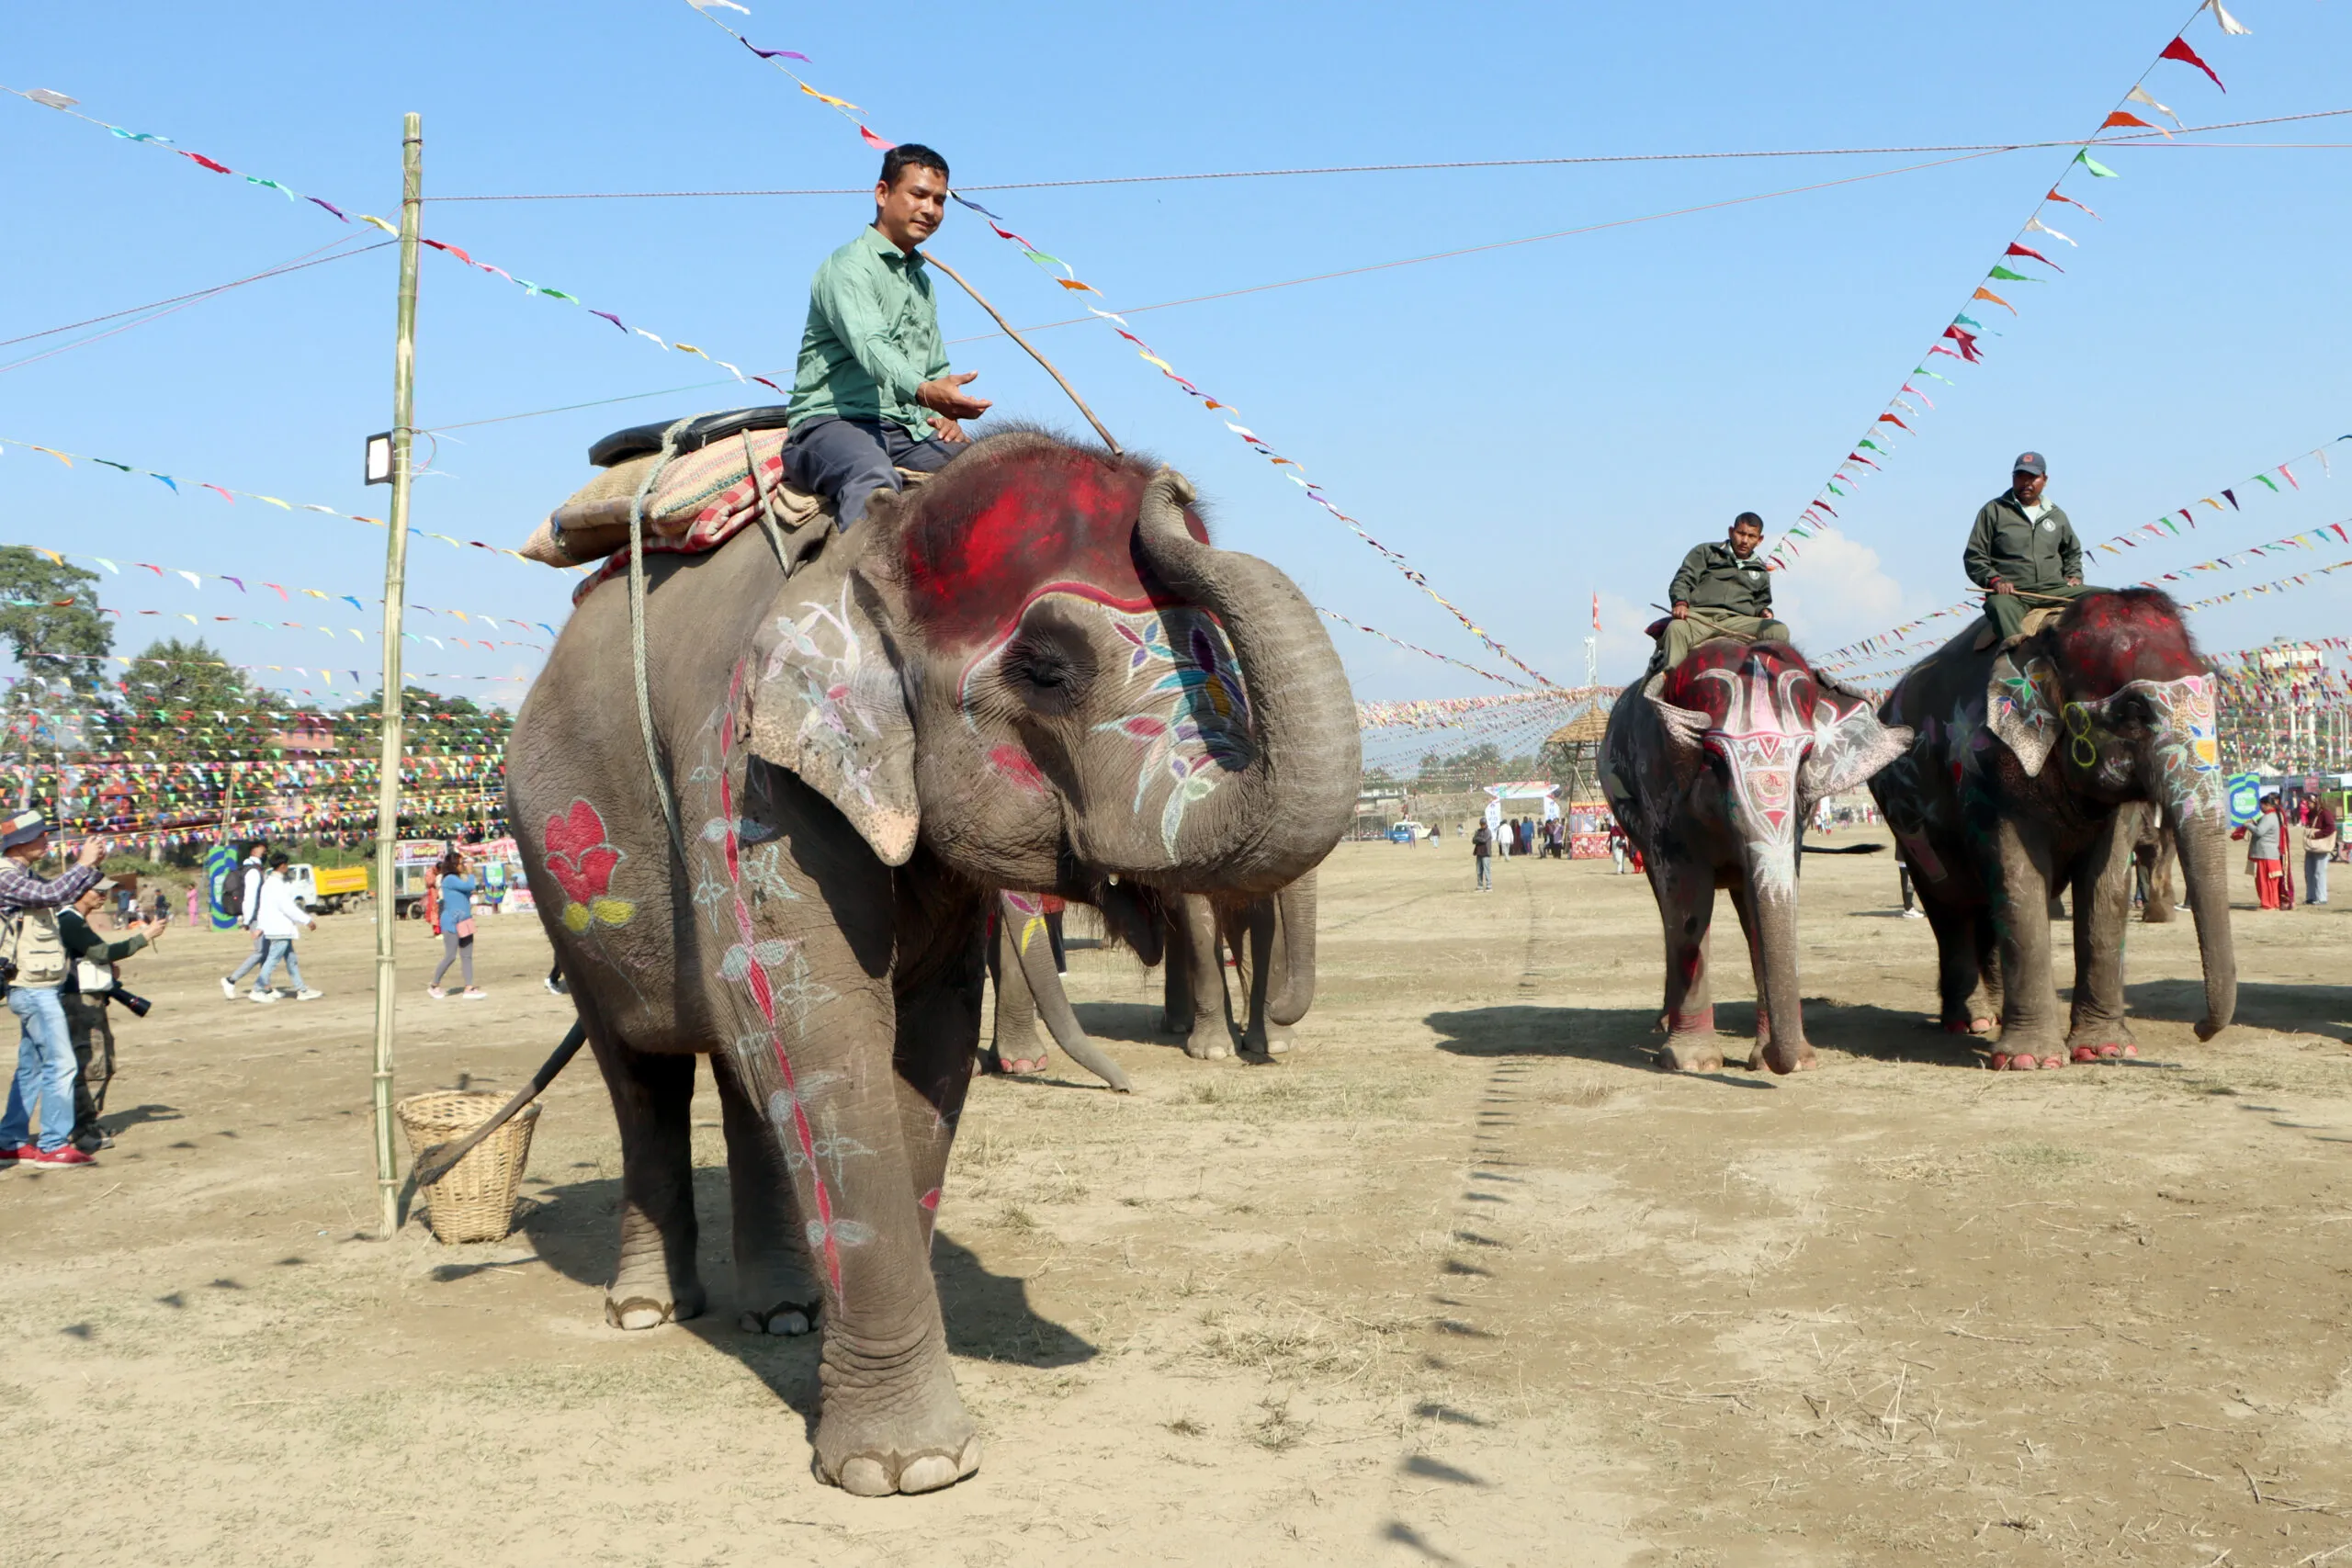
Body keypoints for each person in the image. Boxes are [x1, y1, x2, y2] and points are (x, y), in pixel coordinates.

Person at [781, 144, 987, 532]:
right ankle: (858, 572)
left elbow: (934, 366)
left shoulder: (921, 282)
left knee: (990, 475)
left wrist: (944, 415)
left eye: (939, 200)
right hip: (831, 424)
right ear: (882, 193)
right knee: (872, 479)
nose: (930, 209)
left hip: (907, 431)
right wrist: (926, 392)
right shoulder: (848, 266)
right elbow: (872, 347)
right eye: (918, 195)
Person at [0, 809, 109, 1167]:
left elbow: (59, 895)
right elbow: (51, 894)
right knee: (61, 1063)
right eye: (40, 835)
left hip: (36, 984)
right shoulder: (5, 876)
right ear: (19, 843)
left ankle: (10, 1140)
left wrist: (92, 868)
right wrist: (83, 864)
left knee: (31, 1067)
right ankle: (52, 1144)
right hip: (32, 987)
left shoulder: (21, 874)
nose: (47, 840)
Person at [1964, 451, 2104, 646]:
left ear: (2044, 480)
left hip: (2055, 589)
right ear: (2013, 478)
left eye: (2033, 477)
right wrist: (1995, 581)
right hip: (2015, 594)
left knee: (2108, 598)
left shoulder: (2056, 515)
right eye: (2020, 476)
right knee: (1999, 606)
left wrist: (2074, 575)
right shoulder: (1994, 511)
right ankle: (2014, 657)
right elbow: (1974, 556)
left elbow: (2072, 551)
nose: (2026, 483)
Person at [62, 878, 160, 1151]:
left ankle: (85, 1124)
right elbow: (101, 952)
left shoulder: (74, 920)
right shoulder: (68, 921)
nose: (104, 895)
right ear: (78, 891)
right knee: (92, 1063)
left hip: (88, 998)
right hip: (79, 1001)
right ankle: (81, 1130)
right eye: (98, 890)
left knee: (102, 1061)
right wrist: (144, 937)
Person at [1658, 512, 1792, 672]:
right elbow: (1683, 579)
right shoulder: (1707, 551)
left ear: (1759, 540)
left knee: (1779, 630)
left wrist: (1764, 611)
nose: (1744, 540)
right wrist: (1680, 602)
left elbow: (1760, 603)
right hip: (1700, 618)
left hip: (1737, 623)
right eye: (1741, 533)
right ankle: (1670, 679)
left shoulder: (1761, 570)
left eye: (1751, 536)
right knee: (1676, 628)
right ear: (1731, 532)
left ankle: (1775, 679)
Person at [249, 854, 321, 1003]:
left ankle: (301, 990)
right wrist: (307, 920)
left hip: (277, 928)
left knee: (291, 960)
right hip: (280, 929)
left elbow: (263, 907)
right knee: (272, 960)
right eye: (286, 865)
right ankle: (257, 989)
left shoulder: (268, 884)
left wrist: (261, 927)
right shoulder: (276, 885)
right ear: (282, 866)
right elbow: (287, 907)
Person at [429, 852, 486, 999]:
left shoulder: (458, 880)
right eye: (461, 864)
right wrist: (471, 872)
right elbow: (470, 886)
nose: (463, 866)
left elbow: (467, 892)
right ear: (454, 865)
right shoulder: (449, 879)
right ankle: (434, 985)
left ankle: (469, 987)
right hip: (452, 921)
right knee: (450, 956)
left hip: (465, 920)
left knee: (467, 955)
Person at [219, 841, 271, 998]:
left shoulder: (255, 869)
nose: (265, 854)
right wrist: (247, 921)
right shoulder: (253, 871)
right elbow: (250, 897)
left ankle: (266, 986)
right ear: (254, 852)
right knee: (260, 952)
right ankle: (231, 980)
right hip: (255, 916)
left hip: (259, 916)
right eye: (263, 851)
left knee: (266, 952)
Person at [2234, 794, 2287, 911]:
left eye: (2261, 805)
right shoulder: (2274, 816)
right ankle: (2273, 903)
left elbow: (2259, 831)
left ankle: (2267, 904)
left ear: (2267, 805)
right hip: (2270, 853)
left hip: (2264, 853)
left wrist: (2248, 825)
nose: (2260, 808)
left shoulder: (2269, 817)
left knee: (2264, 880)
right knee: (2271, 881)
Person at [2305, 797, 2337, 906]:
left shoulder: (2325, 813)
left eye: (2310, 802)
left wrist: (2317, 834)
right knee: (2309, 872)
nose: (2308, 804)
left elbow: (2331, 828)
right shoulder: (2310, 814)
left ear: (2316, 802)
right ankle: (2311, 897)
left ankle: (2321, 897)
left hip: (2321, 846)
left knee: (2319, 872)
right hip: (2311, 845)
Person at [1472, 819, 1493, 892]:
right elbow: (1473, 840)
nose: (1482, 825)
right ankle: (1480, 886)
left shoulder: (1488, 831)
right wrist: (1478, 839)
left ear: (1486, 824)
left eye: (1483, 824)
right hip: (1479, 853)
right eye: (1481, 824)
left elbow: (1484, 840)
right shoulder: (1478, 831)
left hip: (1486, 853)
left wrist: (1477, 838)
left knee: (1487, 870)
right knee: (1479, 870)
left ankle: (1489, 886)